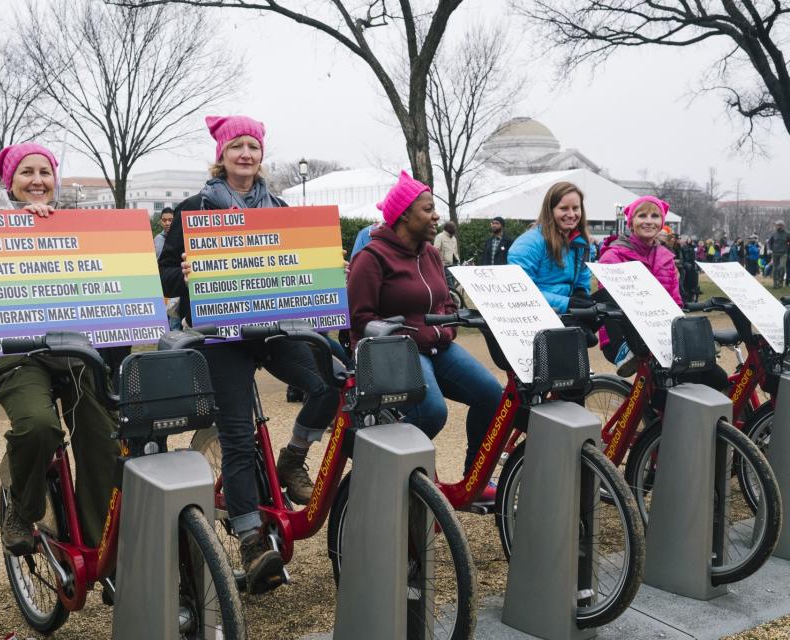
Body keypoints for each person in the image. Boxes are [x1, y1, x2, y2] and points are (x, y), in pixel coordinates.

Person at [158, 115, 339, 593]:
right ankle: (251, 542)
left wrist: (325, 268)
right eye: (235, 146)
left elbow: (296, 268)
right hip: (220, 334)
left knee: (329, 383)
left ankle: (292, 457)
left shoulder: (278, 206)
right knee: (237, 438)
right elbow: (165, 279)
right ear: (221, 155)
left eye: (252, 147)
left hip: (272, 327)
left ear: (262, 155)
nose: (245, 154)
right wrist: (186, 272)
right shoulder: (194, 208)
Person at [0, 143, 120, 557]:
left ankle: (101, 548)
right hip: (19, 354)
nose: (38, 180)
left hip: (74, 349)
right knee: (38, 427)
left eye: (45, 172)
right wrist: (16, 232)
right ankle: (23, 509)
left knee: (105, 437)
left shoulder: (77, 227)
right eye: (27, 172)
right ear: (11, 182)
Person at [347, 171, 503, 485]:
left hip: (438, 347)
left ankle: (476, 476)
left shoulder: (431, 254)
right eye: (428, 209)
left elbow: (445, 302)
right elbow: (360, 319)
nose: (436, 216)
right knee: (433, 411)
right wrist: (410, 334)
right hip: (395, 352)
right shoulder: (372, 258)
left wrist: (446, 329)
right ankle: (392, 469)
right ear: (404, 215)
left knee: (492, 395)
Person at [596, 196, 728, 388]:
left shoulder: (666, 258)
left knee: (715, 377)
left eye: (655, 216)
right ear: (631, 222)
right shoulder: (613, 256)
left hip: (662, 333)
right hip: (623, 335)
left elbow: (675, 302)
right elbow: (610, 302)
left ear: (661, 223)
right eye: (642, 215)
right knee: (666, 386)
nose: (649, 221)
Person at [507, 181, 592, 314]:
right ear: (550, 210)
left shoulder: (582, 244)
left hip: (568, 315)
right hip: (536, 317)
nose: (571, 214)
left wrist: (580, 292)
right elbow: (522, 291)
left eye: (575, 208)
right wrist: (567, 303)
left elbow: (583, 280)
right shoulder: (528, 244)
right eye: (564, 208)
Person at [768, 221, 788, 288]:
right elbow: (769, 242)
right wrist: (770, 249)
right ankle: (775, 283)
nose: (777, 226)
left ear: (783, 226)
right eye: (777, 225)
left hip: (784, 253)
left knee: (782, 267)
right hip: (775, 253)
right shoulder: (774, 234)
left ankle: (780, 281)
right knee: (775, 269)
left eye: (779, 225)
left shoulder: (787, 234)